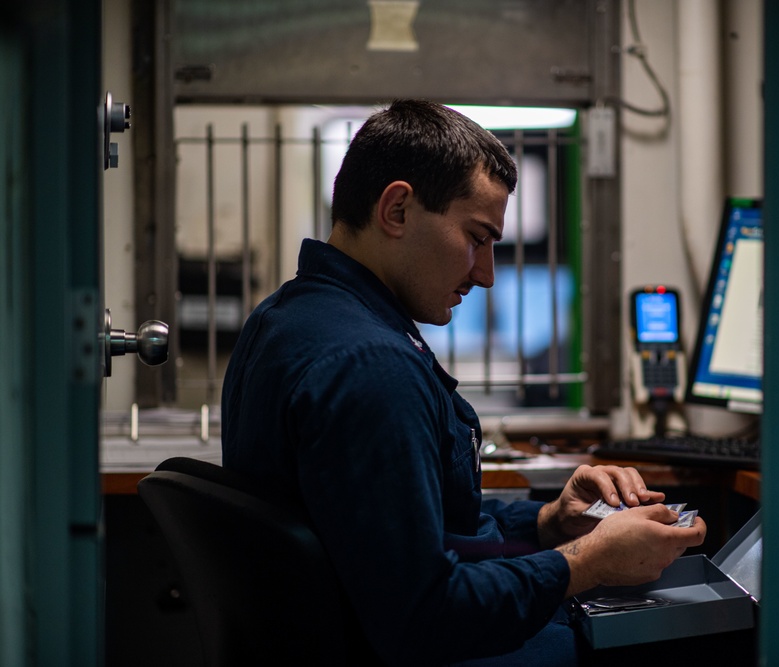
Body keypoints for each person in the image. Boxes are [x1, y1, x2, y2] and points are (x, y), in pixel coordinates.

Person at [221, 98, 707, 666]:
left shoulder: (286, 318)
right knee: (708, 636)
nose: (486, 274)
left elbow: (421, 529)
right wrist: (588, 562)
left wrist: (550, 522)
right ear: (397, 210)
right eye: (477, 237)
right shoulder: (370, 368)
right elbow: (425, 615)